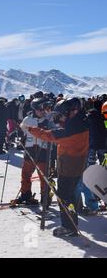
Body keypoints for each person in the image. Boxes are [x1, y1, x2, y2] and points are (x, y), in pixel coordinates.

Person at [27, 98, 89, 237]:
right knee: (69, 196)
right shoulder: (79, 121)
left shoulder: (74, 127)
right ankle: (72, 224)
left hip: (69, 166)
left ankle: (69, 227)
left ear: (71, 112)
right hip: (74, 164)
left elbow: (49, 135)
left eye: (62, 115)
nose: (60, 118)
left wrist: (29, 129)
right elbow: (61, 129)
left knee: (64, 197)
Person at [14, 98, 50, 205]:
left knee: (43, 176)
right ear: (35, 109)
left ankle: (45, 197)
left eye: (44, 109)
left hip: (43, 150)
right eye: (41, 109)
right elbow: (22, 131)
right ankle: (26, 194)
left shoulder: (48, 120)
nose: (43, 112)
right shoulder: (27, 119)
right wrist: (17, 134)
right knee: (25, 174)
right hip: (30, 149)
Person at [75, 100, 106, 215]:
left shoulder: (88, 118)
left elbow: (90, 134)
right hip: (102, 146)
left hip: (91, 147)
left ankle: (93, 197)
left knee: (88, 172)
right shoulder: (102, 117)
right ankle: (97, 196)